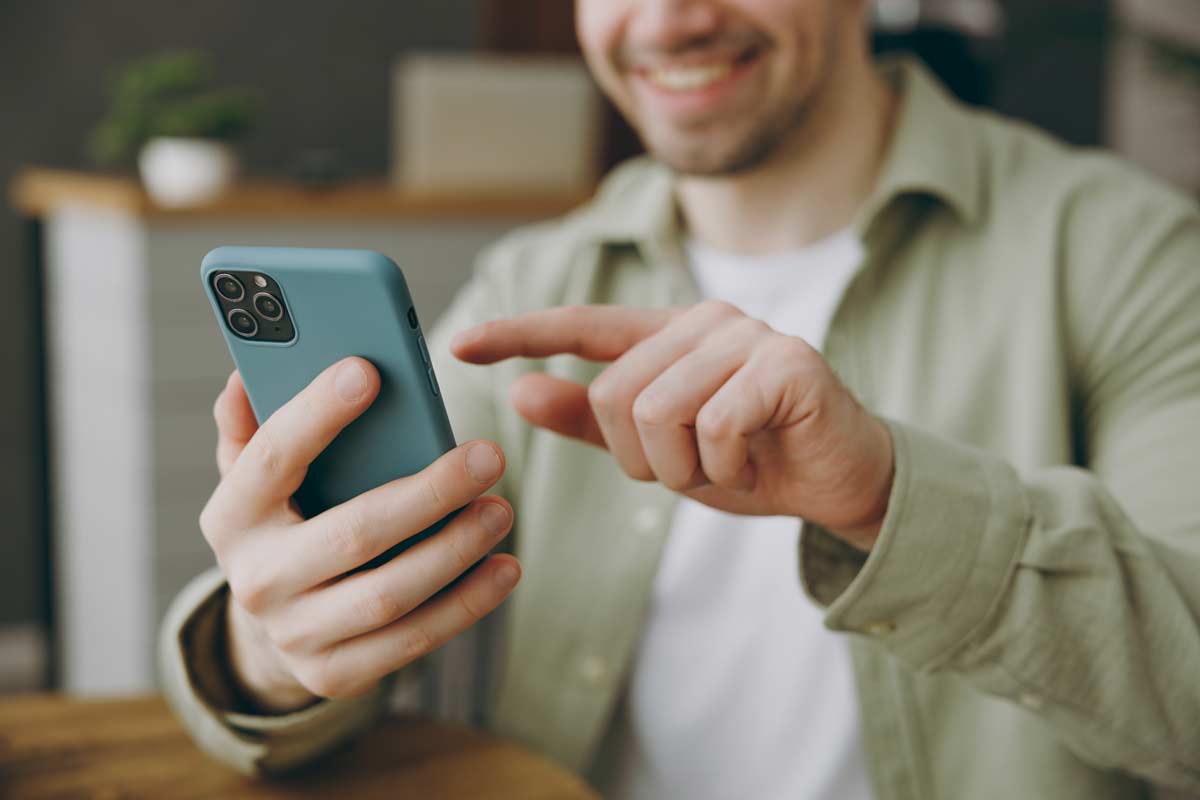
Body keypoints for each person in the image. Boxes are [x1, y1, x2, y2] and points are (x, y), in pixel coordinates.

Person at [160, 1, 1200, 797]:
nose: (665, 19)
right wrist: (270, 649)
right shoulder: (535, 280)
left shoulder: (1129, 255)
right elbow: (344, 601)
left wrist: (888, 496)